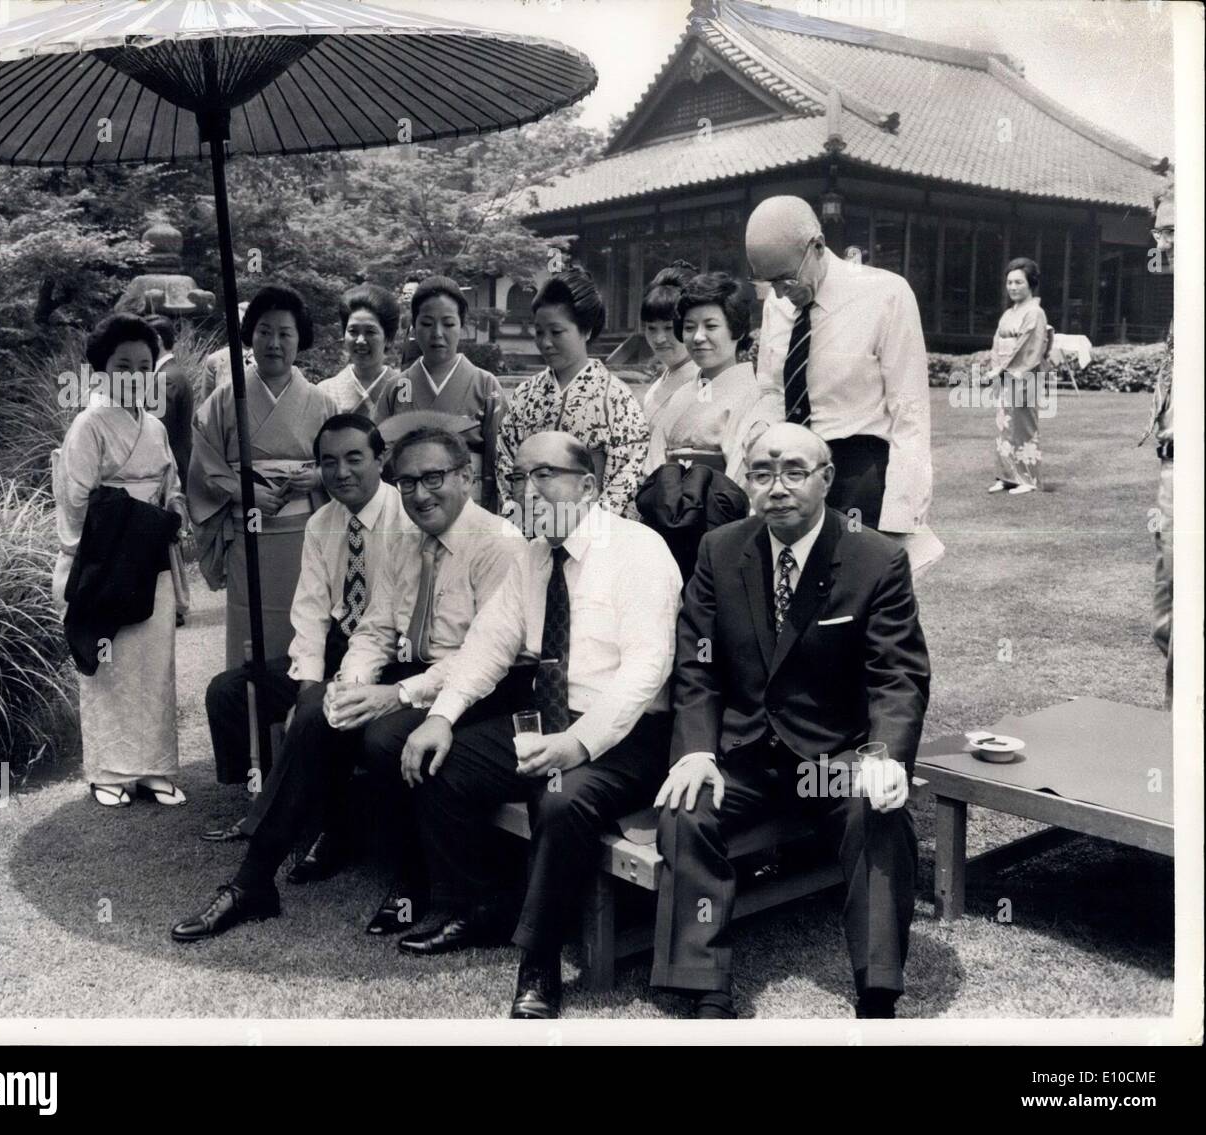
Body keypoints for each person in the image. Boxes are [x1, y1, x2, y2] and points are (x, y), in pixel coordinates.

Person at [172, 427, 524, 943]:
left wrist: (395, 696)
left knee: (385, 738)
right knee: (320, 709)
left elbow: (486, 655)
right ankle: (253, 884)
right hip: (413, 671)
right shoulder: (406, 536)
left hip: (478, 687)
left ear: (466, 477)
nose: (419, 495)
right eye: (407, 483)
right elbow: (377, 627)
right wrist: (351, 687)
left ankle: (413, 880)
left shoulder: (499, 544)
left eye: (433, 479)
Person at [398, 431, 683, 1019]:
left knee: (557, 801)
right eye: (518, 477)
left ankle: (540, 962)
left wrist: (577, 744)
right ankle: (477, 908)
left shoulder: (639, 550)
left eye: (544, 474)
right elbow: (489, 645)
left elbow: (646, 672)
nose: (528, 489)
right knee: (439, 762)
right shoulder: (531, 557)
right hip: (549, 718)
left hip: (625, 732)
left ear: (589, 485)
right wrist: (441, 716)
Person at [650, 422, 930, 1019]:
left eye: (795, 472)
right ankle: (705, 988)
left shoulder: (874, 559)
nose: (778, 488)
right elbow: (696, 664)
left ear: (826, 479)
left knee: (875, 807)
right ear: (747, 479)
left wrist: (883, 757)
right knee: (685, 806)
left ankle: (877, 993)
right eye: (761, 473)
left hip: (834, 757)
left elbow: (897, 676)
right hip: (745, 755)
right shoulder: (720, 550)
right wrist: (697, 749)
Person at [199, 414, 419, 877]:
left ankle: (326, 828)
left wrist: (317, 696)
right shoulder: (322, 522)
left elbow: (386, 629)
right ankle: (269, 798)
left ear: (381, 460)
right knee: (230, 691)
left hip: (398, 656)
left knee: (324, 711)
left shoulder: (409, 516)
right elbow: (312, 611)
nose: (342, 473)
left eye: (355, 458)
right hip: (344, 642)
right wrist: (306, 684)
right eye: (329, 462)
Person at [51, 314, 191, 809]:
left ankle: (153, 767)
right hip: (105, 560)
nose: (134, 375)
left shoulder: (152, 427)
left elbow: (171, 485)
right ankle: (109, 771)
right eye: (122, 365)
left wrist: (172, 509)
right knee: (110, 665)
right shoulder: (88, 425)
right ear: (101, 371)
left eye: (144, 365)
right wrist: (138, 519)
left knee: (154, 665)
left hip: (148, 556)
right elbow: (76, 498)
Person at [743, 196, 931, 534]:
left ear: (817, 246)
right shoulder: (777, 303)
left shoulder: (886, 295)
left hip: (857, 468)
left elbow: (910, 412)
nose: (781, 294)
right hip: (789, 470)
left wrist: (900, 518)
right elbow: (772, 389)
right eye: (769, 283)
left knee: (853, 579)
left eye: (786, 279)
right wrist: (759, 429)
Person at [187, 284, 334, 669]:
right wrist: (240, 492)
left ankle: (297, 724)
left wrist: (318, 477)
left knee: (303, 624)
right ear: (249, 337)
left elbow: (346, 463)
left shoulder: (321, 403)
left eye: (285, 333)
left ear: (299, 340)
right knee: (249, 627)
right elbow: (204, 462)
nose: (274, 342)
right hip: (248, 535)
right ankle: (249, 724)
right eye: (264, 331)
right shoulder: (224, 399)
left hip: (304, 536)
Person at [496, 270, 649, 520]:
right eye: (539, 332)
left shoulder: (617, 398)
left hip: (593, 531)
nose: (545, 342)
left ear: (586, 330)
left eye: (556, 332)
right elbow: (506, 464)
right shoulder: (525, 395)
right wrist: (519, 516)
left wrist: (593, 524)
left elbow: (628, 474)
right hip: (531, 525)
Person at [373, 276, 508, 507]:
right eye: (426, 323)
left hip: (469, 509)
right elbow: (376, 458)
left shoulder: (485, 385)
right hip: (408, 509)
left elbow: (499, 460)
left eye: (448, 323)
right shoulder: (396, 388)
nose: (437, 333)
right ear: (413, 325)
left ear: (462, 326)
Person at [643, 271, 769, 482]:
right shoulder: (680, 396)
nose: (698, 337)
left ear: (736, 330)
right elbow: (652, 471)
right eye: (689, 327)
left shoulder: (753, 397)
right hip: (666, 507)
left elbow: (742, 481)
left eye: (711, 326)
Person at [1141, 178, 1174, 707]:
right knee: (1171, 619)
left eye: (1171, 231)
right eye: (1158, 229)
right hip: (1176, 472)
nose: (1159, 243)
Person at [986, 258, 1048, 495]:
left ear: (1030, 283)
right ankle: (1007, 476)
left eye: (1018, 282)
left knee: (1023, 426)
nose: (1012, 287)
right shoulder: (1008, 313)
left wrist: (1003, 369)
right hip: (1005, 373)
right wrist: (996, 368)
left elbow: (1027, 346)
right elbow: (997, 342)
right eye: (1009, 282)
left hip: (1024, 375)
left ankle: (1028, 479)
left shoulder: (1035, 312)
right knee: (1005, 426)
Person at [316, 283, 401, 418]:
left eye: (370, 332)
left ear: (388, 338)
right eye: (353, 331)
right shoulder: (325, 391)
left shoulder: (404, 389)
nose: (360, 340)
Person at [638, 261, 700, 428]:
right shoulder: (656, 388)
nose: (659, 339)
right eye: (651, 328)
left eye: (668, 328)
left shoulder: (704, 384)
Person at [143, 315, 195, 492]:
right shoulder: (172, 373)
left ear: (156, 341)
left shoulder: (165, 379)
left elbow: (154, 432)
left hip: (169, 474)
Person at [199, 301, 252, 407]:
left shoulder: (267, 359)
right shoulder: (215, 360)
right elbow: (207, 404)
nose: (240, 329)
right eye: (236, 324)